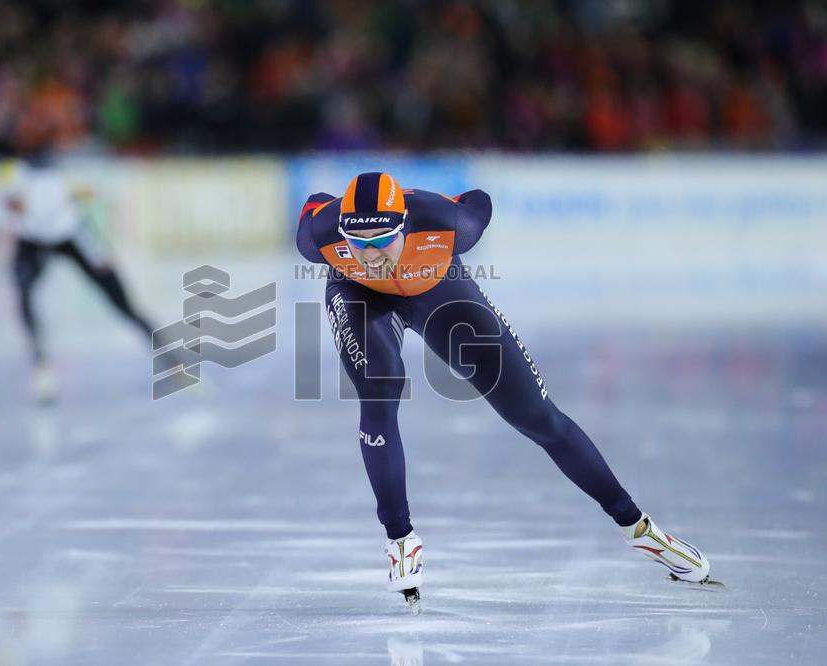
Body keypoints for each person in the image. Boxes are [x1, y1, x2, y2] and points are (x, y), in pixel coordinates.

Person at [296, 172, 714, 613]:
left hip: (440, 290)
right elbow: (314, 204)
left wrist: (431, 200)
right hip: (361, 297)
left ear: (405, 224)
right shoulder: (319, 237)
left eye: (382, 239)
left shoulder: (452, 223)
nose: (371, 254)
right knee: (380, 388)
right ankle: (400, 538)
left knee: (537, 416)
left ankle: (638, 527)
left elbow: (478, 198)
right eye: (357, 243)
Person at [0, 156, 155, 402]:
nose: (14, 206)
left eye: (18, 200)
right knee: (23, 291)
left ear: (28, 190)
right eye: (9, 202)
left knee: (119, 300)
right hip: (33, 240)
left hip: (71, 234)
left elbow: (91, 191)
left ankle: (155, 338)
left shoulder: (50, 189)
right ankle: (40, 363)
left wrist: (101, 252)